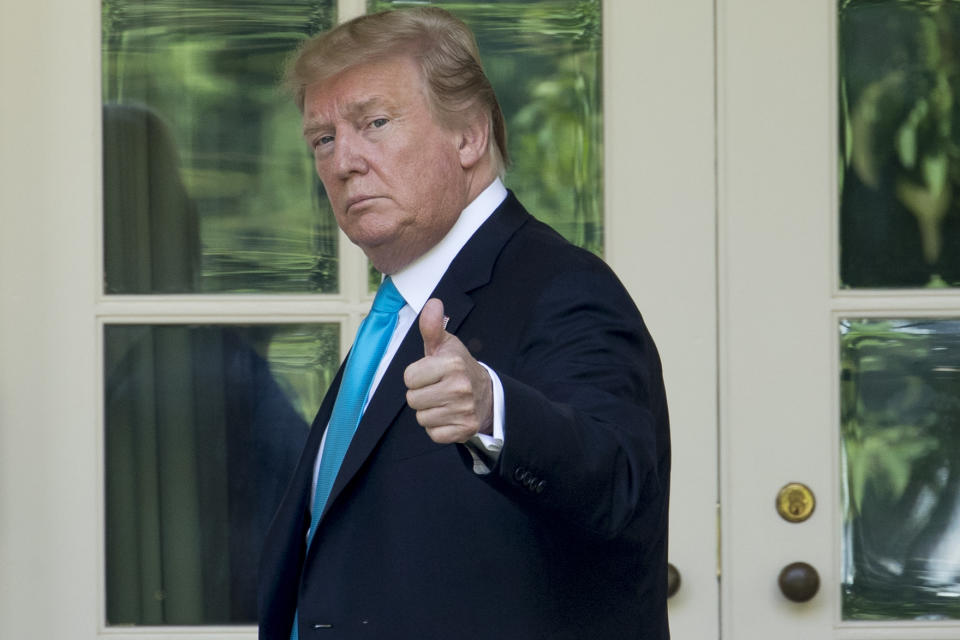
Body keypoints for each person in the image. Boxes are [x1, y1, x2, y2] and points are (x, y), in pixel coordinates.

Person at [258, 7, 670, 639]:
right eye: (323, 138)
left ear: (469, 137)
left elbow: (615, 479)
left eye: (375, 122)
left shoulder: (564, 286)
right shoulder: (398, 312)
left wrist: (491, 411)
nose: (345, 161)